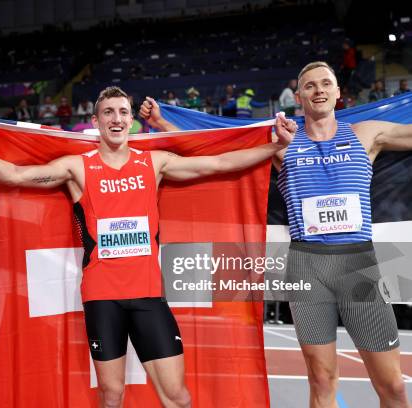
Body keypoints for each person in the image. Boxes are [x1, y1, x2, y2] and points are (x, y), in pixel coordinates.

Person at [0, 86, 296, 408]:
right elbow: (16, 175)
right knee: (112, 396)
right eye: (108, 112)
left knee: (178, 397)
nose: (116, 119)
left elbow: (219, 164)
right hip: (103, 299)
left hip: (148, 296)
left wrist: (272, 146)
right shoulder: (78, 168)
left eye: (122, 112)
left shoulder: (154, 162)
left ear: (131, 118)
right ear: (96, 121)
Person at [148, 61, 412, 408]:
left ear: (337, 93)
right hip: (307, 269)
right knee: (321, 380)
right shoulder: (282, 143)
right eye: (310, 86)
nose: (318, 90)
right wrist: (163, 123)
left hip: (359, 266)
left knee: (392, 386)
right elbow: (216, 151)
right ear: (298, 97)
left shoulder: (367, 133)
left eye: (325, 83)